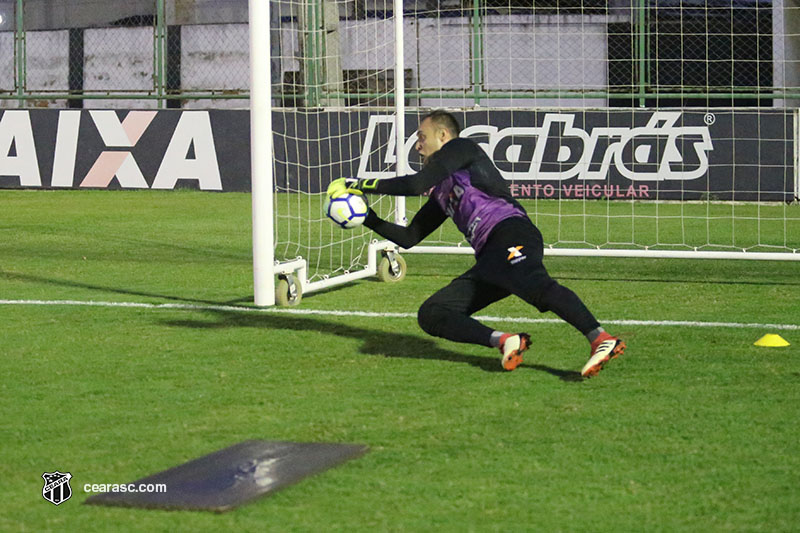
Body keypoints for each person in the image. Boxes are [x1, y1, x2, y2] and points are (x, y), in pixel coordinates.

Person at [327, 110, 625, 377]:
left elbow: (414, 184)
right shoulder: (442, 191)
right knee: (433, 313)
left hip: (511, 233)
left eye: (422, 137)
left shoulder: (462, 147)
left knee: (535, 284)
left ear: (443, 135)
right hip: (491, 259)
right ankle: (505, 340)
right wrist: (366, 217)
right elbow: (409, 238)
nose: (418, 146)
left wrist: (357, 183)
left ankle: (600, 338)